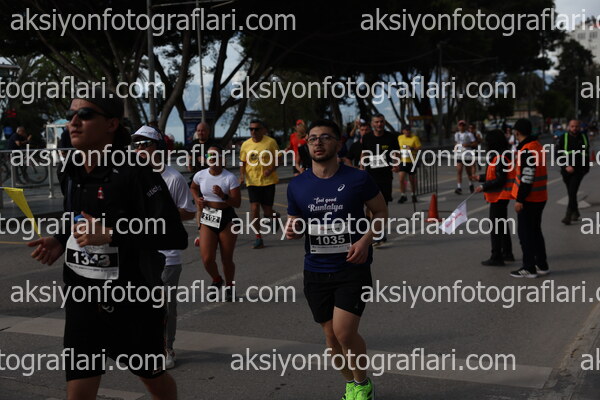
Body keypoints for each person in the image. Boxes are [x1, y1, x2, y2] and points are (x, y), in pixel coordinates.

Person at [27, 91, 187, 399]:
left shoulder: (136, 171)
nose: (73, 122)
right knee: (78, 393)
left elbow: (174, 234)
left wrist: (112, 233)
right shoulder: (70, 169)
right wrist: (59, 239)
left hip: (132, 302)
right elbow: (77, 215)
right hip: (82, 299)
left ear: (112, 124)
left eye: (85, 115)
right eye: (70, 115)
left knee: (154, 380)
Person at [286, 119, 387, 400]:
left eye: (325, 137)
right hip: (315, 270)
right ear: (307, 145)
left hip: (352, 268)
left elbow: (381, 212)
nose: (318, 142)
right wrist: (292, 228)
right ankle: (351, 383)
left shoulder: (358, 179)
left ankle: (363, 384)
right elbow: (294, 219)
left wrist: (366, 241)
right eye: (313, 138)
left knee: (344, 333)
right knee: (331, 338)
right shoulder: (297, 185)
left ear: (338, 143)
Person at [131, 125, 196, 369]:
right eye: (136, 144)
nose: (139, 149)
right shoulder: (131, 176)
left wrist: (162, 213)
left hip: (167, 255)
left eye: (144, 144)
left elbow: (189, 212)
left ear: (158, 147)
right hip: (139, 252)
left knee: (165, 306)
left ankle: (167, 348)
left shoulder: (173, 178)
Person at [191, 145, 241, 301]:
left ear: (221, 158)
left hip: (227, 217)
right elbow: (193, 187)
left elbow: (237, 203)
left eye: (215, 155)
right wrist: (197, 199)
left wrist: (223, 195)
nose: (211, 158)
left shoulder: (229, 178)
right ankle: (217, 279)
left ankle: (230, 287)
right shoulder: (200, 175)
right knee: (207, 258)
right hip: (209, 216)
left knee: (226, 258)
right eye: (209, 156)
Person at [509, 118, 549, 278]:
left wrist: (520, 200)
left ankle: (529, 267)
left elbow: (527, 177)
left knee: (525, 234)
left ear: (517, 132)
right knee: (536, 232)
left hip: (529, 199)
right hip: (540, 196)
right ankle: (542, 264)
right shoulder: (537, 146)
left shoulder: (526, 150)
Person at [472, 129, 515, 266]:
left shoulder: (500, 157)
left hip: (499, 196)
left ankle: (496, 256)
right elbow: (494, 175)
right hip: (500, 195)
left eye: (488, 142)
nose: (487, 144)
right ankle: (507, 253)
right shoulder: (501, 154)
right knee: (501, 225)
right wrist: (481, 178)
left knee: (496, 227)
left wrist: (483, 186)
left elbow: (500, 179)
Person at [239, 119, 280, 249]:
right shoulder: (245, 144)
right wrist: (242, 176)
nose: (253, 131)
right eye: (251, 129)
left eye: (256, 129)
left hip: (268, 181)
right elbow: (242, 162)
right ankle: (258, 237)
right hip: (252, 182)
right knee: (254, 208)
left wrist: (270, 169)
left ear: (263, 130)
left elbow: (278, 159)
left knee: (267, 211)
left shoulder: (270, 142)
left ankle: (275, 216)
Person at [360, 113, 399, 246]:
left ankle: (380, 232)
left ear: (384, 122)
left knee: (383, 205)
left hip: (385, 176)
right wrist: (361, 167)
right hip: (371, 175)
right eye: (376, 122)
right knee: (371, 205)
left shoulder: (391, 137)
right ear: (372, 124)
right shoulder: (367, 137)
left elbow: (395, 152)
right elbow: (364, 153)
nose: (379, 124)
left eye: (381, 121)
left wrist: (396, 163)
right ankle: (375, 232)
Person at [557, 119, 590, 224]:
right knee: (571, 193)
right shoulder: (563, 137)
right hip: (566, 170)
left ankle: (568, 215)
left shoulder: (583, 137)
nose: (574, 128)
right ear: (568, 127)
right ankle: (576, 212)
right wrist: (565, 166)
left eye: (576, 126)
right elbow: (558, 154)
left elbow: (586, 153)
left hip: (579, 170)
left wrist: (585, 167)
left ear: (579, 127)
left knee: (572, 191)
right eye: (572, 126)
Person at [396, 126, 421, 204]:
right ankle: (403, 195)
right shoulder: (400, 137)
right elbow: (397, 148)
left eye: (409, 130)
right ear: (403, 131)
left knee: (412, 180)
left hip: (412, 161)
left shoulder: (414, 138)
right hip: (403, 161)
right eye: (406, 130)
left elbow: (419, 147)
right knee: (401, 179)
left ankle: (413, 194)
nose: (407, 132)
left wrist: (412, 148)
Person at [453, 120, 477, 194]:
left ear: (465, 126)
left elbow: (475, 143)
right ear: (458, 126)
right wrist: (455, 149)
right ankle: (459, 187)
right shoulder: (456, 134)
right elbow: (456, 143)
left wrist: (468, 145)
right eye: (460, 125)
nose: (461, 127)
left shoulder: (469, 134)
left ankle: (471, 184)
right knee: (459, 170)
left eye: (463, 125)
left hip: (467, 155)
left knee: (468, 172)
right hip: (459, 155)